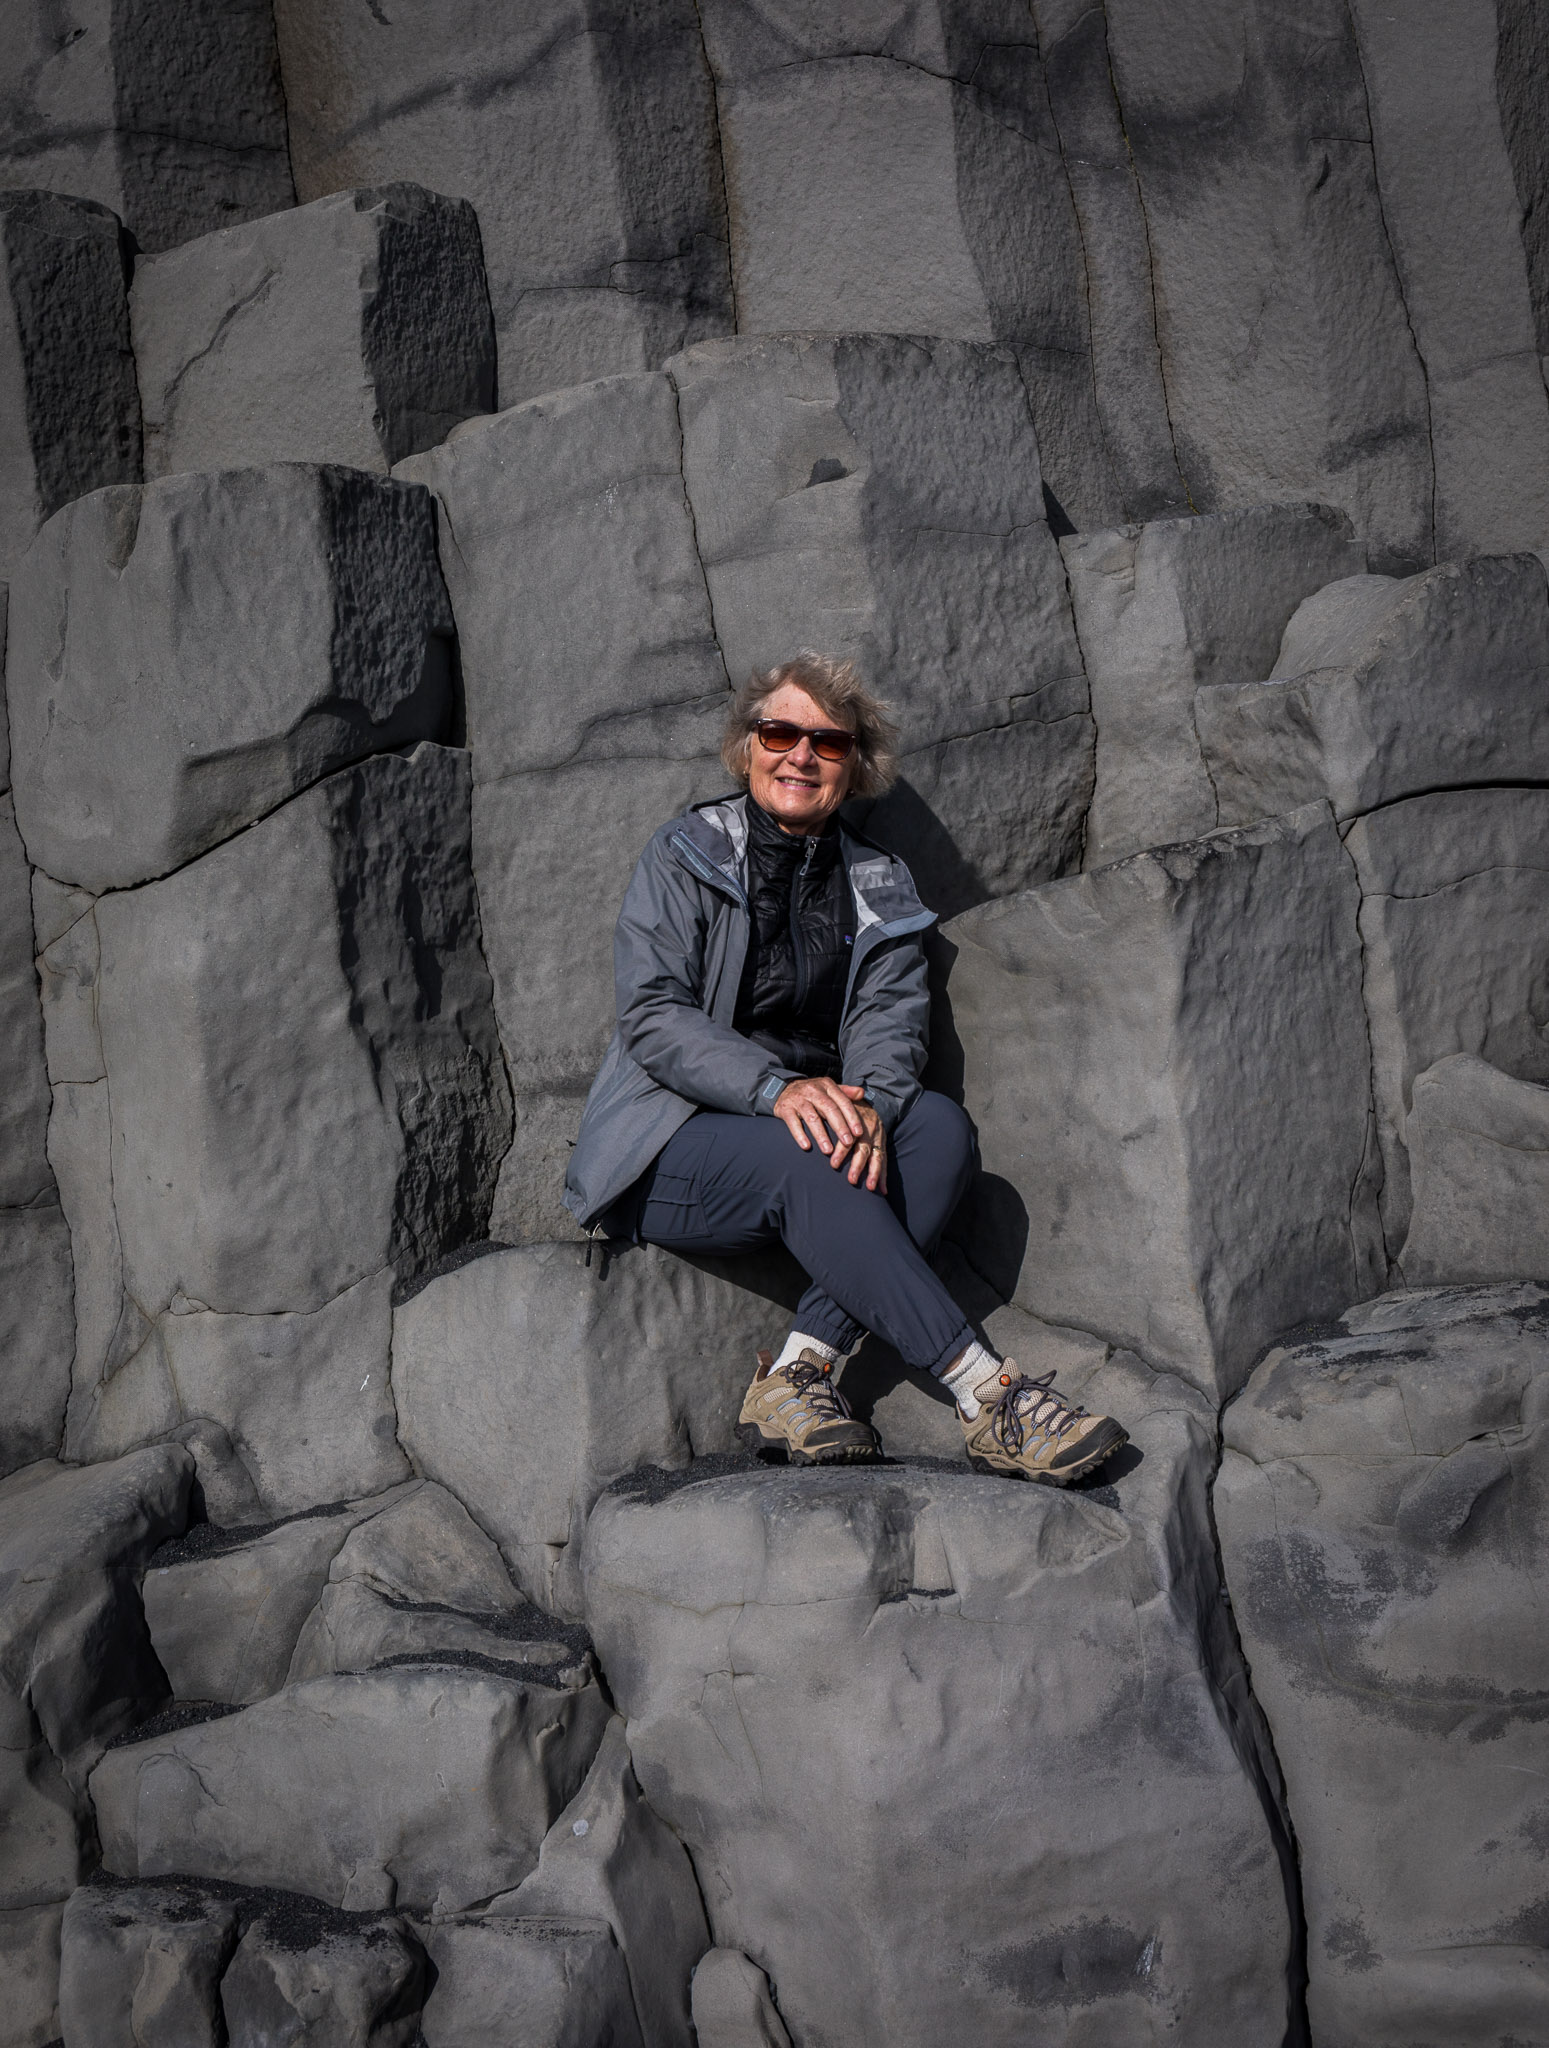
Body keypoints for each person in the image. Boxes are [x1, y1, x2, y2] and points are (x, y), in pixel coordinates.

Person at [564, 652, 1126, 1484]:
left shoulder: (880, 884)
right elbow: (654, 1017)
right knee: (806, 1146)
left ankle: (797, 1375)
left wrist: (872, 1109)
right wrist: (778, 1090)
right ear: (746, 746)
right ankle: (988, 1396)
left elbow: (891, 1033)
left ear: (855, 765)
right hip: (669, 1146)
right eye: (780, 732)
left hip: (810, 1136)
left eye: (828, 743)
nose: (800, 755)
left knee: (936, 1127)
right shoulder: (683, 852)